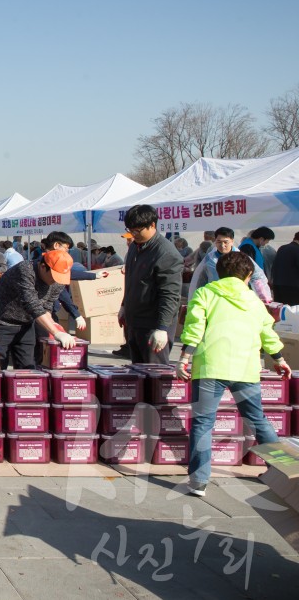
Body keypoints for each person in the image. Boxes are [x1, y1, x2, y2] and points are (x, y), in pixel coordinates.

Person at [176, 252, 290, 497]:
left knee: (203, 423)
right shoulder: (254, 301)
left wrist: (184, 357)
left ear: (218, 272)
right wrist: (279, 359)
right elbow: (267, 333)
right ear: (248, 275)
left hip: (210, 367)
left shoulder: (205, 293)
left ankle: (199, 482)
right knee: (257, 420)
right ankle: (282, 473)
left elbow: (195, 327)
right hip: (245, 368)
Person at [118, 205, 183, 365]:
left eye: (138, 230)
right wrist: (124, 306)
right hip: (135, 322)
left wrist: (162, 328)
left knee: (154, 375)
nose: (133, 235)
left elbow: (170, 295)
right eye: (131, 230)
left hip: (153, 325)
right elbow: (133, 281)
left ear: (152, 225)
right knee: (138, 375)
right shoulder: (135, 247)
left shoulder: (166, 253)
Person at [0, 249, 78, 369]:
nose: (56, 281)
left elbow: (46, 306)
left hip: (26, 325)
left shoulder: (59, 281)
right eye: (54, 276)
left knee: (27, 368)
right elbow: (32, 304)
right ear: (43, 266)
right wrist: (56, 332)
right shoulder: (25, 270)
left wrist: (53, 326)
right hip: (1, 323)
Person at [189, 227, 271, 303]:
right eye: (219, 242)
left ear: (232, 241)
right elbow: (202, 280)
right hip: (215, 300)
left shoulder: (241, 258)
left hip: (237, 299)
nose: (222, 245)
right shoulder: (209, 259)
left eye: (226, 242)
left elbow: (257, 276)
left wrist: (263, 297)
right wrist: (199, 299)